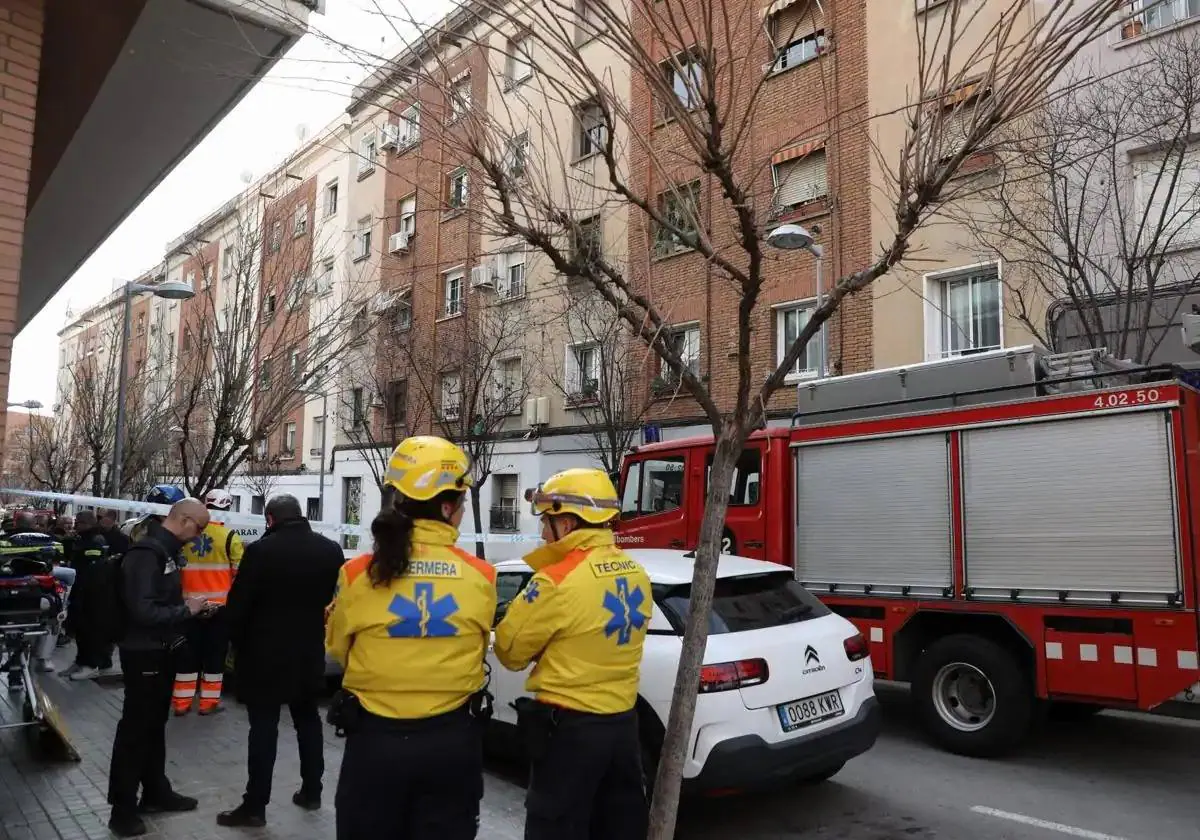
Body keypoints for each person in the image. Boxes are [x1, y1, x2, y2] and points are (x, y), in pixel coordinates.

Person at [325, 436, 497, 840]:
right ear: (447, 506)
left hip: (375, 745)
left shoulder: (357, 573)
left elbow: (336, 649)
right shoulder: (482, 575)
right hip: (451, 744)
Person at [493, 468, 651, 840]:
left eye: (546, 523)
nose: (543, 534)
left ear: (566, 523)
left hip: (571, 735)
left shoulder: (556, 580)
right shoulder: (636, 572)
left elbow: (509, 650)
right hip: (624, 729)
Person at [216, 494, 343, 827]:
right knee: (308, 721)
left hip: (263, 655)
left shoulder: (260, 551)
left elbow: (239, 604)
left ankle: (255, 805)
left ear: (270, 518)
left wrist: (234, 643)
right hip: (308, 651)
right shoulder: (330, 550)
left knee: (263, 729)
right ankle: (312, 790)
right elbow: (332, 599)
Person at [107, 498, 213, 838]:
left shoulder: (163, 553)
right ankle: (122, 810)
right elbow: (143, 612)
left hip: (159, 651)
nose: (198, 537)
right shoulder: (145, 554)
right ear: (183, 520)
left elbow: (157, 602)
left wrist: (187, 607)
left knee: (154, 725)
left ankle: (155, 791)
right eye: (199, 529)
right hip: (144, 654)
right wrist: (188, 612)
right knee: (136, 730)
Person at [172, 488, 244, 716]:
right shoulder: (231, 538)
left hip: (187, 607)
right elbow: (239, 575)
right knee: (215, 657)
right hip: (219, 608)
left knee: (187, 656)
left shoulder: (183, 534)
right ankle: (208, 703)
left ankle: (181, 704)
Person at [64, 510, 115, 680]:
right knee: (80, 630)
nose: (75, 525)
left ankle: (91, 664)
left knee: (90, 631)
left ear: (87, 524)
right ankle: (81, 661)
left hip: (91, 593)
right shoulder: (83, 540)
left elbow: (92, 569)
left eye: (79, 522)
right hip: (80, 590)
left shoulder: (95, 542)